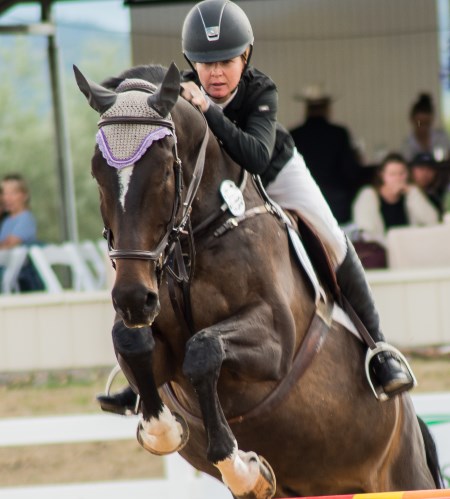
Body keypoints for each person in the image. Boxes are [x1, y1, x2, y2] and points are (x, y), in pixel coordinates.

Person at [97, 0, 414, 414]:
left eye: (226, 62)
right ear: (192, 61)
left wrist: (207, 110)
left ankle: (379, 348)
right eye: (205, 63)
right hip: (217, 190)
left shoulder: (260, 89)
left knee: (332, 236)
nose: (215, 73)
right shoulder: (183, 94)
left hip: (274, 171)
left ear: (245, 56)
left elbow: (256, 157)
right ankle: (144, 374)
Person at [289, 84, 362, 225]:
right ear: (327, 108)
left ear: (306, 109)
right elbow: (351, 171)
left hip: (304, 203)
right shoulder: (339, 133)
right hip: (337, 206)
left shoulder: (295, 134)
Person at [352, 152, 439, 245]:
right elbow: (368, 233)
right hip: (382, 250)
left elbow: (432, 221)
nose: (397, 178)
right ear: (382, 175)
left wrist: (413, 194)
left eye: (401, 174)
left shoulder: (412, 194)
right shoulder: (368, 195)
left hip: (412, 247)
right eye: (392, 174)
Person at [402, 92, 450, 162]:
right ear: (412, 120)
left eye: (427, 123)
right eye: (420, 123)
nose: (423, 127)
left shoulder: (441, 138)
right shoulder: (407, 144)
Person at [0, 174, 37, 249]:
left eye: (13, 193)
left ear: (25, 196)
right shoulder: (7, 220)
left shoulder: (26, 219)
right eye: (4, 193)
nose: (7, 198)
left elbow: (8, 245)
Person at [409, 152, 449, 219]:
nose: (425, 174)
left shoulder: (439, 195)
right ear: (412, 171)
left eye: (429, 169)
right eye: (421, 169)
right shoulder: (406, 193)